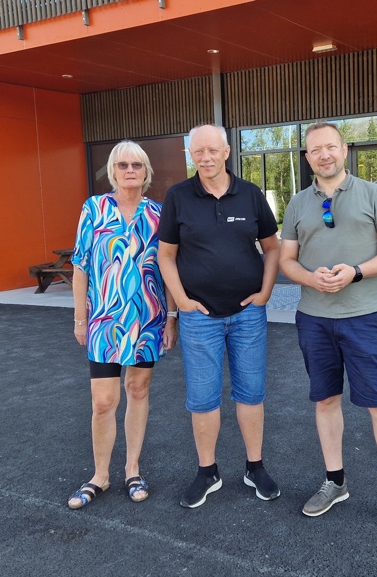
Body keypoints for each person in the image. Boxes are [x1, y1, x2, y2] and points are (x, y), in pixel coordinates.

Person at [278, 121, 377, 539]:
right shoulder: (297, 204)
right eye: (315, 150)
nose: (323, 155)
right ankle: (335, 482)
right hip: (314, 319)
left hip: (363, 318)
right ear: (308, 158)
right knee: (325, 401)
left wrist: (356, 272)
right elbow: (286, 260)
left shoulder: (374, 195)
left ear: (344, 150)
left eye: (330, 147)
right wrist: (311, 278)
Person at [157, 124, 281, 509]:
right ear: (191, 155)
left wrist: (265, 292)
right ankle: (207, 471)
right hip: (199, 317)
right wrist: (182, 301)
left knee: (251, 394)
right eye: (198, 152)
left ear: (226, 152)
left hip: (248, 315)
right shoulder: (178, 197)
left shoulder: (251, 194)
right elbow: (166, 255)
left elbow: (272, 247)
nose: (206, 158)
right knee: (202, 399)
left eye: (212, 150)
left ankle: (255, 467)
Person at [67, 140, 176, 509]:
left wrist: (171, 317)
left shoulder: (158, 214)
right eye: (123, 165)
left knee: (138, 390)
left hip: (147, 319)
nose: (130, 171)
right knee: (103, 401)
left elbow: (168, 268)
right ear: (113, 171)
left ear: (146, 172)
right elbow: (81, 266)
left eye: (137, 165)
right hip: (103, 319)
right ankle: (100, 475)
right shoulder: (94, 208)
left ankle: (132, 470)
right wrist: (80, 317)